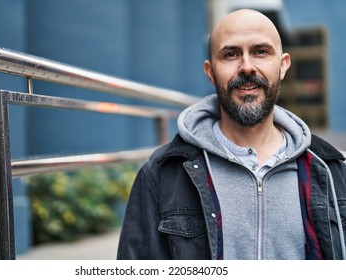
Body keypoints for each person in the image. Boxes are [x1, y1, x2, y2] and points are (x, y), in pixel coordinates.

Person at [117, 9, 346, 260]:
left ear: (282, 66)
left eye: (261, 51)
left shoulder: (330, 170)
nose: (247, 67)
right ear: (210, 72)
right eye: (231, 54)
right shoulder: (163, 173)